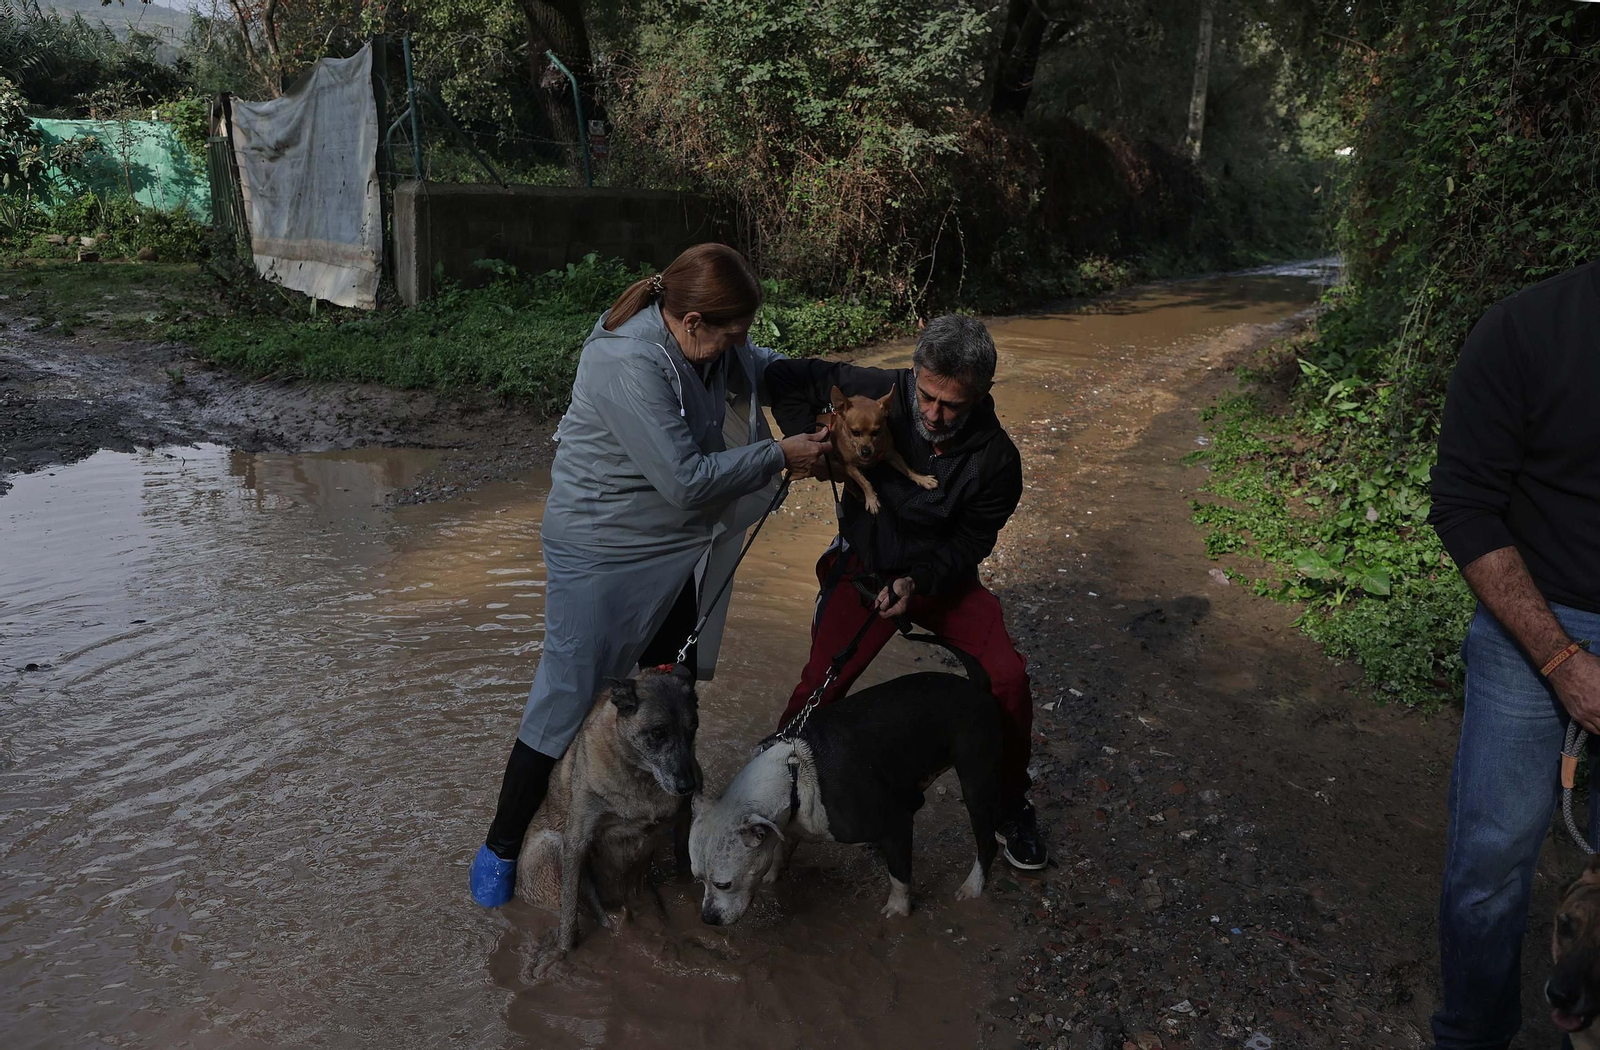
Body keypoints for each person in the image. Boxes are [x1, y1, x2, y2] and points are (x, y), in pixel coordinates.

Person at [468, 243, 832, 907]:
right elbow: (687, 481)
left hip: (668, 546)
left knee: (672, 685)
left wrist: (826, 385)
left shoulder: (705, 344)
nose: (736, 345)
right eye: (729, 331)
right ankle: (501, 845)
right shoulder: (627, 360)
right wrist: (779, 452)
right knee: (565, 697)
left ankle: (665, 820)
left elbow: (757, 367)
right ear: (691, 321)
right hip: (600, 553)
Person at [764, 314, 1047, 869]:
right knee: (819, 685)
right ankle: (770, 794)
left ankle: (1009, 807)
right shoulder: (875, 389)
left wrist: (919, 582)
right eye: (927, 397)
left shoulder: (998, 461)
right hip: (866, 571)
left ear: (983, 394)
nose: (935, 415)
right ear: (913, 373)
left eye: (953, 406)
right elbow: (782, 378)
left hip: (939, 580)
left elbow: (970, 543)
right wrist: (822, 445)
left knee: (1009, 679)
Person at [1427, 257, 1600, 1047]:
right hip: (1533, 625)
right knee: (1491, 871)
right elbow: (1465, 505)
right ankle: (1470, 1034)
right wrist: (1564, 662)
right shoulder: (1525, 331)